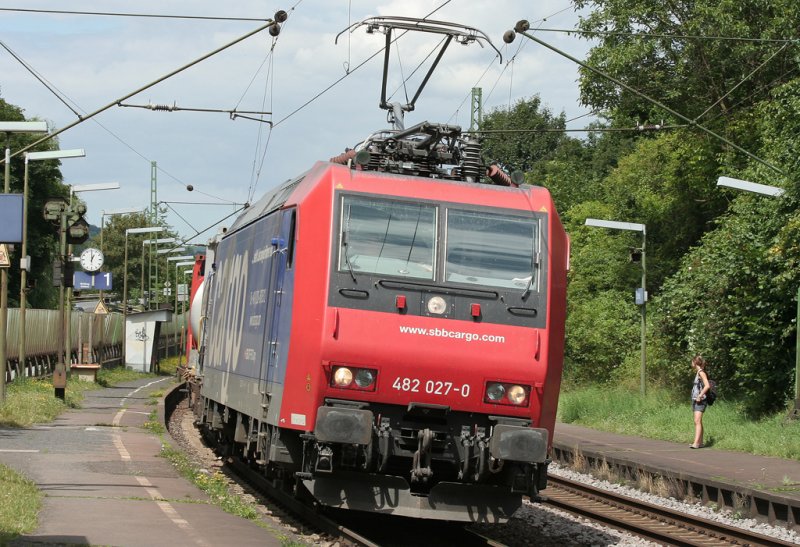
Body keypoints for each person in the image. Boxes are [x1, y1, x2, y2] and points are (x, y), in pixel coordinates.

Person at [690, 355, 711, 448]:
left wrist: (700, 395)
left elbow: (707, 385)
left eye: (692, 361)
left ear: (695, 362)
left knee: (697, 421)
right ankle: (700, 442)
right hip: (695, 400)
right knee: (698, 421)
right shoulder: (698, 372)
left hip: (700, 400)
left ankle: (696, 443)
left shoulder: (701, 372)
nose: (691, 363)